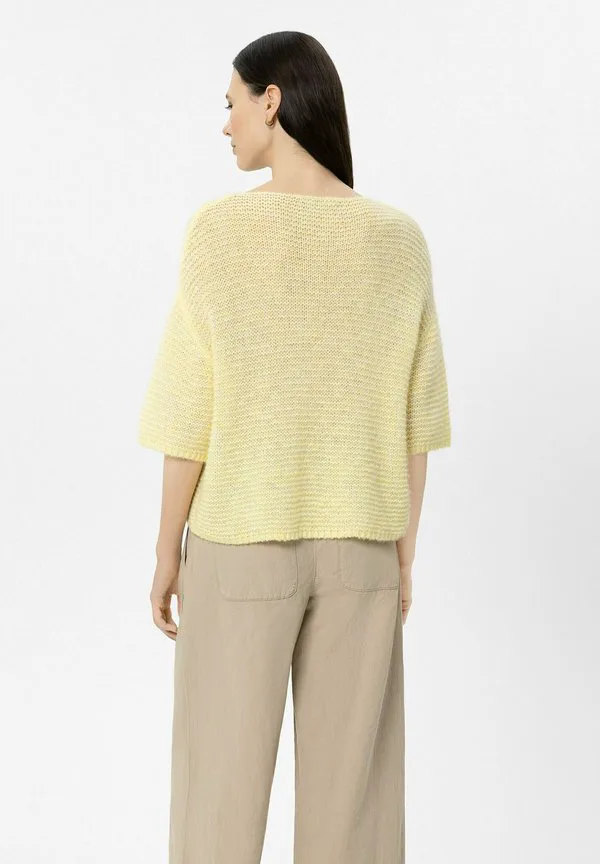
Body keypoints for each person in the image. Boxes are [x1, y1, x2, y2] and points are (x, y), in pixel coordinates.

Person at [138, 29, 451, 864]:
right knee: (357, 815)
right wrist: (403, 552)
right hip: (363, 552)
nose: (225, 124)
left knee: (217, 799)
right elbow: (417, 422)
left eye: (231, 103)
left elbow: (188, 413)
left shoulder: (220, 233)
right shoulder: (400, 241)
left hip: (241, 547)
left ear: (271, 100)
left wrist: (167, 550)